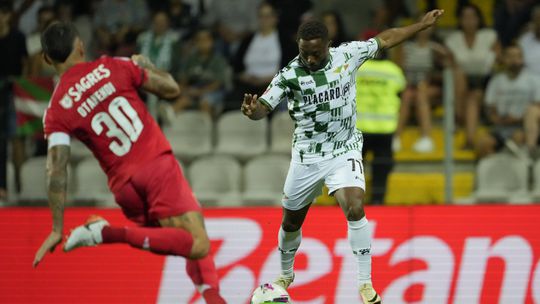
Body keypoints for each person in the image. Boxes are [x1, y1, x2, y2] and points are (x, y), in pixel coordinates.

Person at [241, 9, 444, 303]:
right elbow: (264, 107)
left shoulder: (348, 55)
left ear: (328, 45)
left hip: (343, 149)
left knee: (355, 206)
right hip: (307, 156)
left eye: (316, 53)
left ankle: (365, 283)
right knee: (291, 223)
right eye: (304, 53)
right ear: (298, 46)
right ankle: (286, 273)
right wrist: (253, 111)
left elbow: (386, 39)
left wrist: (420, 25)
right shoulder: (289, 75)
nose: (310, 59)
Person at [32, 22, 226, 304]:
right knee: (197, 243)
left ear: (47, 59)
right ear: (81, 46)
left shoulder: (56, 109)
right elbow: (171, 89)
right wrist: (147, 65)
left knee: (181, 239)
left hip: (124, 188)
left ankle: (212, 296)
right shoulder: (112, 65)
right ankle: (105, 233)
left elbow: (56, 168)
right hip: (156, 166)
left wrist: (56, 228)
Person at [444, 4, 500, 149]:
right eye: (465, 17)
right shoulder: (453, 39)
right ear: (460, 20)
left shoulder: (490, 36)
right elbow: (449, 63)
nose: (469, 21)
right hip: (460, 86)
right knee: (464, 84)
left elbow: (498, 61)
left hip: (486, 82)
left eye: (472, 17)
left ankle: (458, 120)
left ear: (479, 19)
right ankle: (468, 138)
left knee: (473, 95)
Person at [356, 45, 406, 205]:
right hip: (385, 128)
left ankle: (350, 202)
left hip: (358, 128)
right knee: (382, 169)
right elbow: (402, 92)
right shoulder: (394, 71)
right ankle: (378, 200)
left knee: (353, 170)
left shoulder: (358, 68)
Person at [394, 26, 450, 153]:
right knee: (408, 95)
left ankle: (426, 137)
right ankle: (396, 137)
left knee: (421, 94)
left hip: (430, 87)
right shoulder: (406, 47)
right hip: (408, 86)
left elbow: (448, 66)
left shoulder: (435, 48)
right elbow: (397, 69)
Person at [477, 45, 538, 159]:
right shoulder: (496, 81)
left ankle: (522, 172)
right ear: (504, 59)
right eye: (510, 56)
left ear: (522, 59)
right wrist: (496, 118)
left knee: (517, 139)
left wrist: (518, 118)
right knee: (483, 143)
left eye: (517, 57)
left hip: (522, 126)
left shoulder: (533, 80)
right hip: (501, 127)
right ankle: (491, 173)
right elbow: (490, 107)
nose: (514, 60)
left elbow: (537, 107)